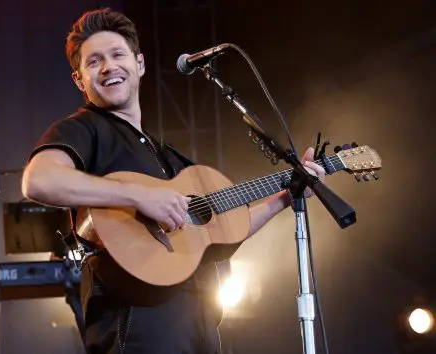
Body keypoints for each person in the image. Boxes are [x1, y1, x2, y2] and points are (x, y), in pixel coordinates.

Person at [21, 7, 326, 354]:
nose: (108, 67)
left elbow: (222, 229)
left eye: (118, 55)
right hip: (138, 329)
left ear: (140, 64)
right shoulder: (82, 129)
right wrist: (136, 196)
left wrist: (286, 196)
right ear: (80, 80)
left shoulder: (168, 156)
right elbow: (38, 180)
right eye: (94, 62)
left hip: (198, 327)